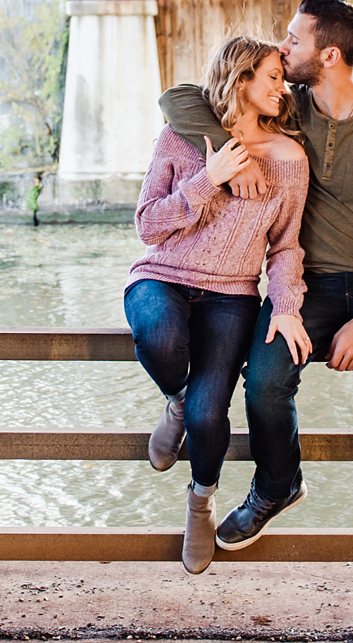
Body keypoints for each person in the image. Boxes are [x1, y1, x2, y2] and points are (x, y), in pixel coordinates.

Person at [160, 0, 353, 555]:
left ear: (328, 56)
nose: (282, 47)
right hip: (302, 284)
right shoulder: (284, 107)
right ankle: (276, 487)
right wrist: (231, 150)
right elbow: (178, 99)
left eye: (294, 40)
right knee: (266, 383)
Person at [125, 35, 313, 574]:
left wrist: (285, 306)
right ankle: (176, 400)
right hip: (160, 276)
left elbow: (285, 247)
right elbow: (147, 226)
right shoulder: (181, 139)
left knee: (211, 416)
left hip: (232, 295)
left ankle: (199, 503)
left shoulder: (290, 160)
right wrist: (210, 179)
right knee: (159, 335)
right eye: (273, 77)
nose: (283, 88)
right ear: (241, 79)